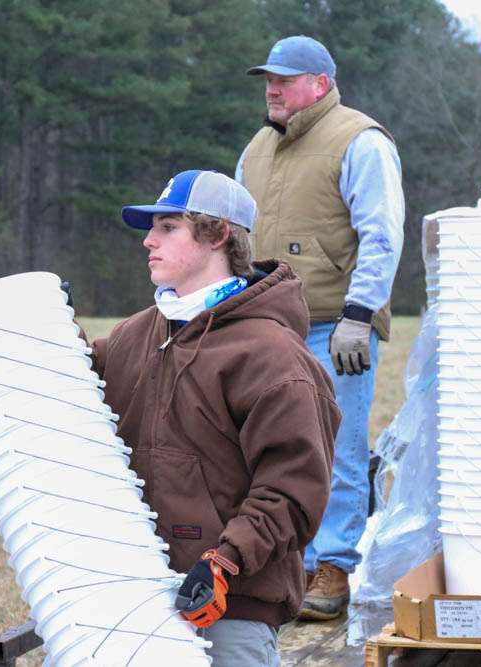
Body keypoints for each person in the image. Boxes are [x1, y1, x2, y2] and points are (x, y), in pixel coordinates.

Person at [89, 169, 339, 666]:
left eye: (168, 227)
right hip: (132, 598)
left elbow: (293, 490)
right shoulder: (136, 335)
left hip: (228, 610)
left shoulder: (273, 356)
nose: (149, 241)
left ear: (218, 234)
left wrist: (225, 562)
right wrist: (47, 330)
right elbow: (76, 393)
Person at [237, 35, 405, 621]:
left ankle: (331, 568)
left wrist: (360, 316)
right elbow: (238, 240)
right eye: (267, 78)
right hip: (266, 325)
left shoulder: (361, 140)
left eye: (284, 78)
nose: (272, 88)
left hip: (336, 328)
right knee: (269, 450)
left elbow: (382, 234)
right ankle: (288, 566)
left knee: (335, 449)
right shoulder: (256, 149)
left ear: (321, 84)